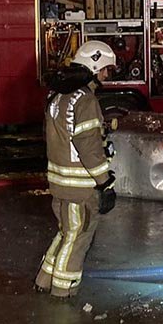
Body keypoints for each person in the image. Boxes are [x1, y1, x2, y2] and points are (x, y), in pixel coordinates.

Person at [35, 40, 118, 299]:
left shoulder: (58, 96)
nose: (107, 76)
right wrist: (105, 182)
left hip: (59, 182)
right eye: (106, 70)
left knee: (66, 232)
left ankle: (44, 279)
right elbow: (88, 147)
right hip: (80, 187)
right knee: (78, 236)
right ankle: (63, 290)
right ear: (94, 66)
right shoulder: (85, 100)